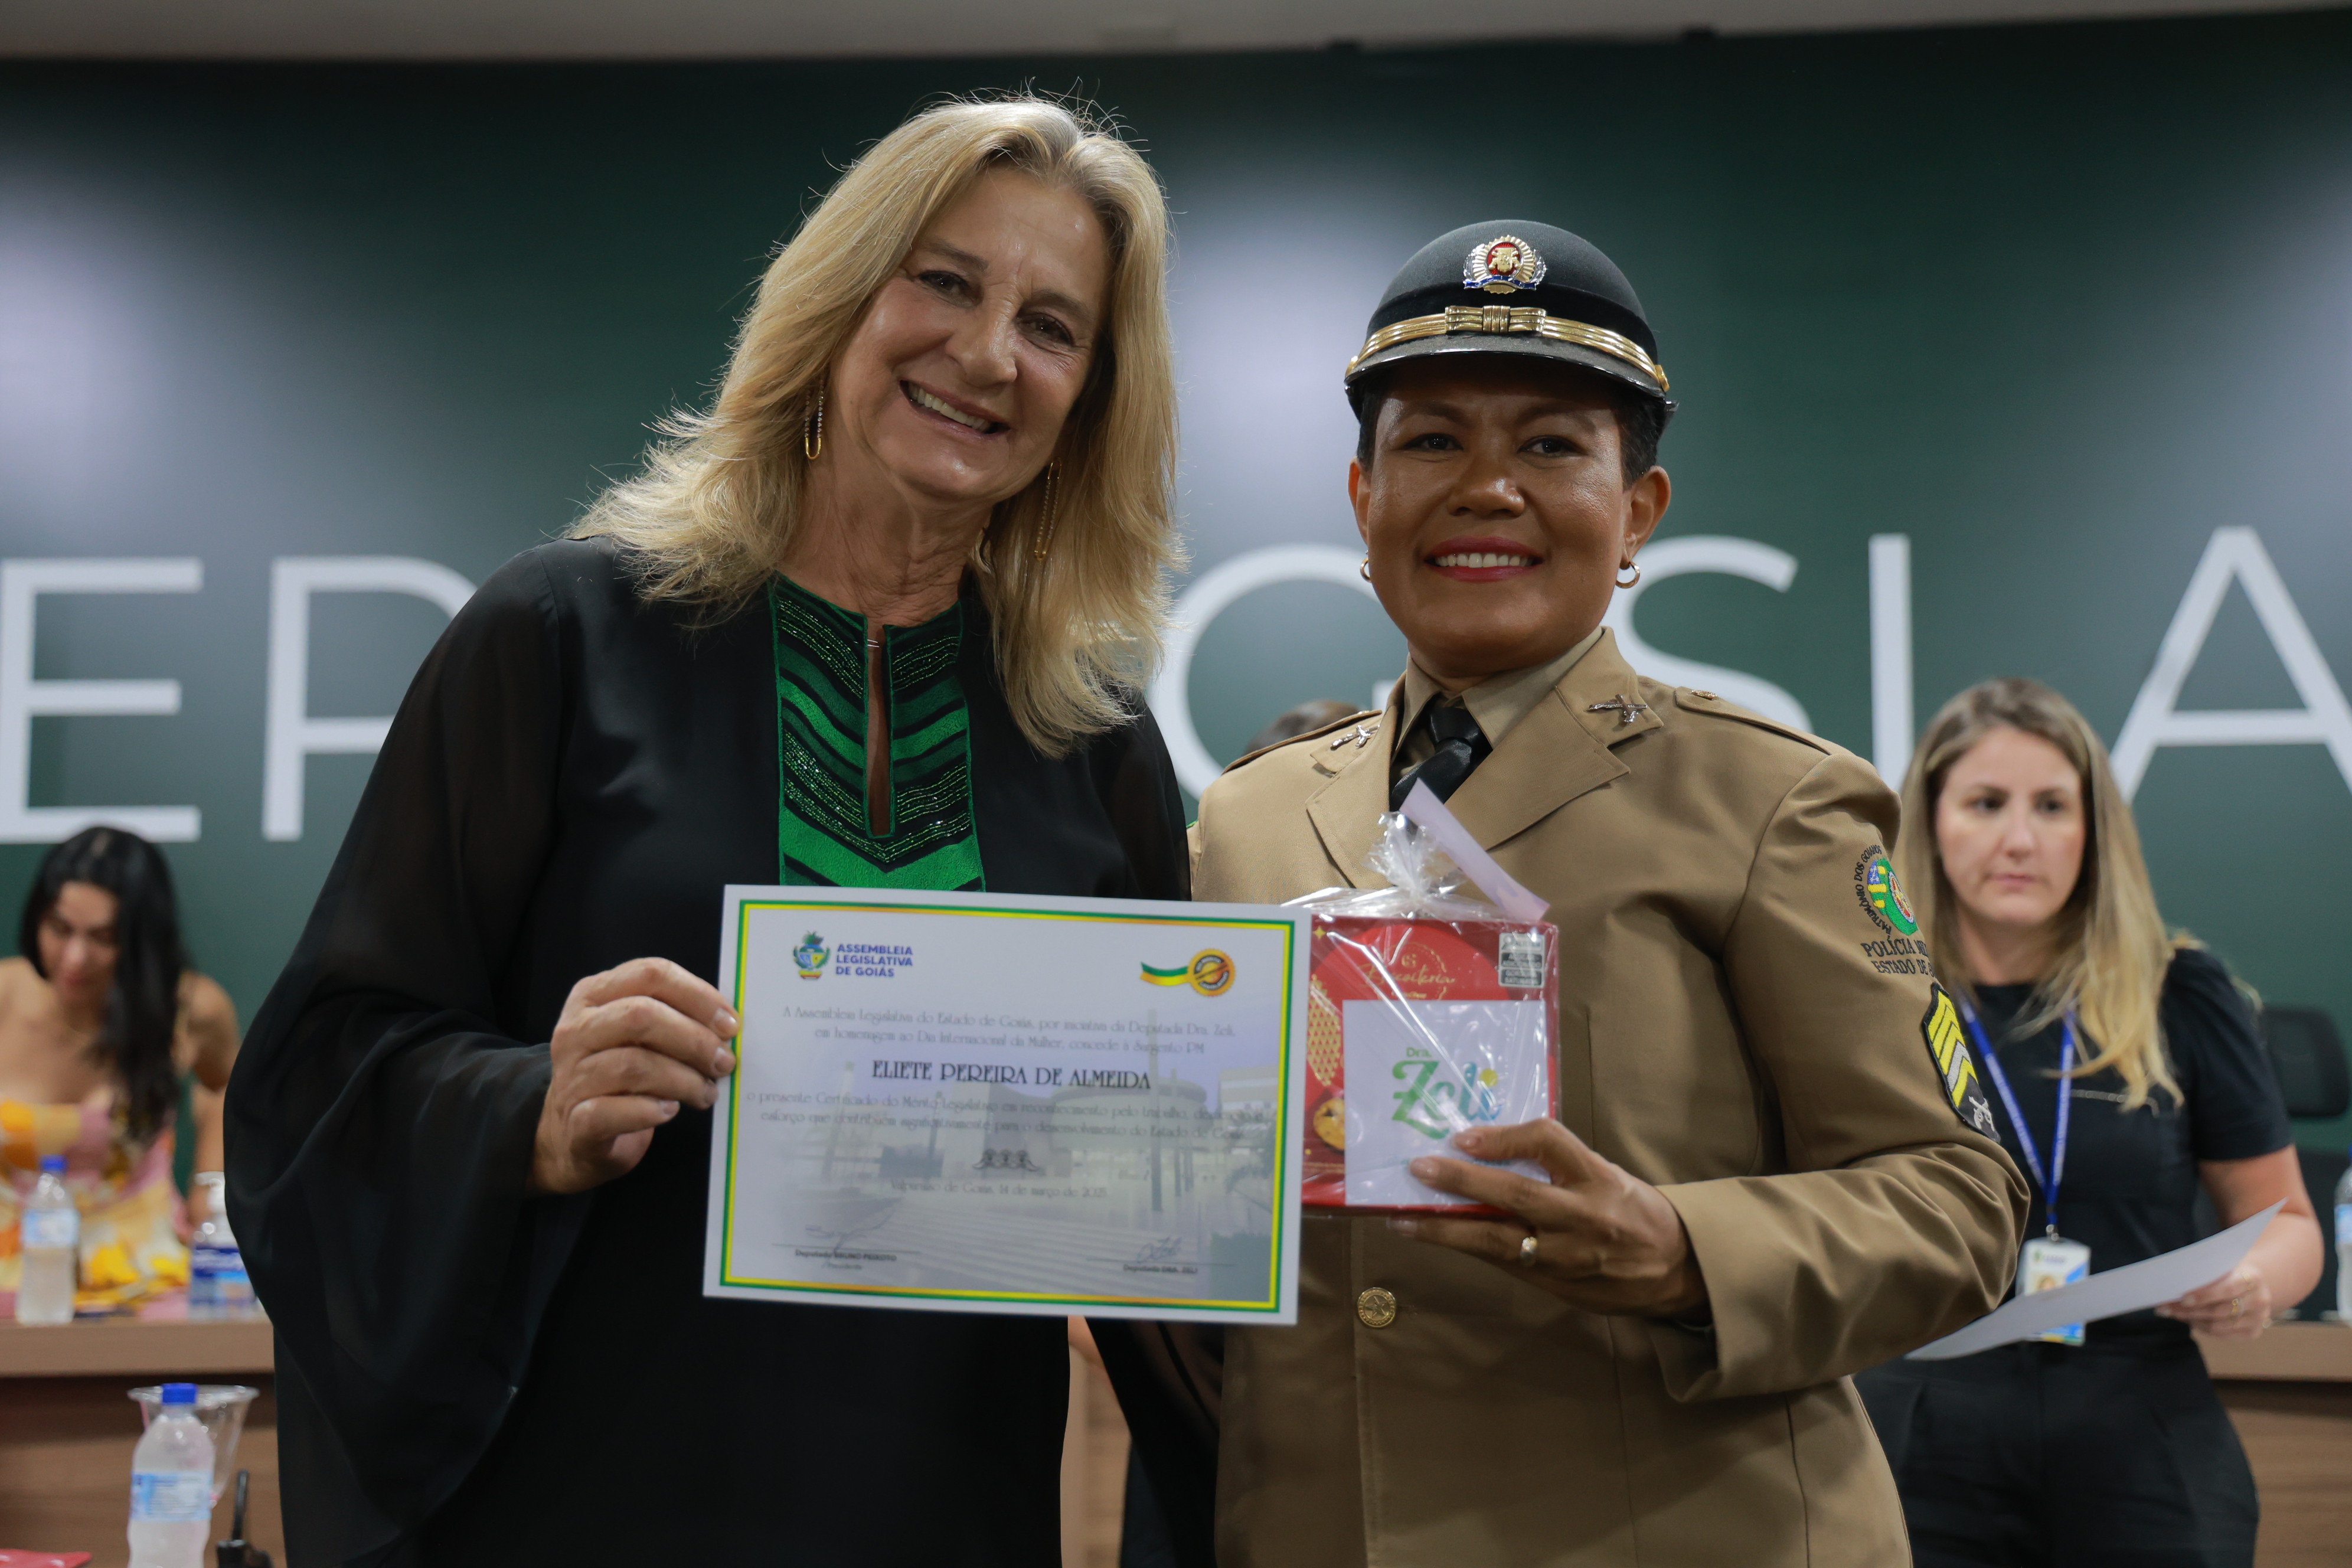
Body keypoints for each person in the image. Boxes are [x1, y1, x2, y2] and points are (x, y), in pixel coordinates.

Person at [228, 96, 1209, 1566]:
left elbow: (1163, 1204)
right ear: (838, 301)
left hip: (950, 1505)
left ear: (1089, 401)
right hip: (582, 1506)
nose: (989, 353)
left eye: (1053, 326)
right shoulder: (564, 637)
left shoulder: (1093, 740)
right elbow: (318, 1077)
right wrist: (529, 1108)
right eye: (944, 281)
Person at [1188, 220, 2029, 1567]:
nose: (1485, 486)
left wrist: (1684, 1244)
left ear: (1637, 512)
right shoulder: (1244, 822)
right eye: (1431, 442)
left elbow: (1961, 1199)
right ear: (1360, 496)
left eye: (1549, 446)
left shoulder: (1770, 801)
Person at [1854, 678, 2321, 1568]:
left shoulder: (2178, 992)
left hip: (2139, 1412)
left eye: (2052, 806)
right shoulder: (1869, 1001)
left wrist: (2255, 1279)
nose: (2019, 839)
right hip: (1919, 1409)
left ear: (2093, 830)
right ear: (1932, 822)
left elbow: (2289, 1223)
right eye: (1986, 803)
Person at [0, 826, 238, 1302]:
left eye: (103, 938)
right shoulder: (5, 996)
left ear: (142, 942)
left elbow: (228, 1089)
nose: (75, 958)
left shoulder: (191, 1010)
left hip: (144, 1268)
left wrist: (210, 1189)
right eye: (59, 929)